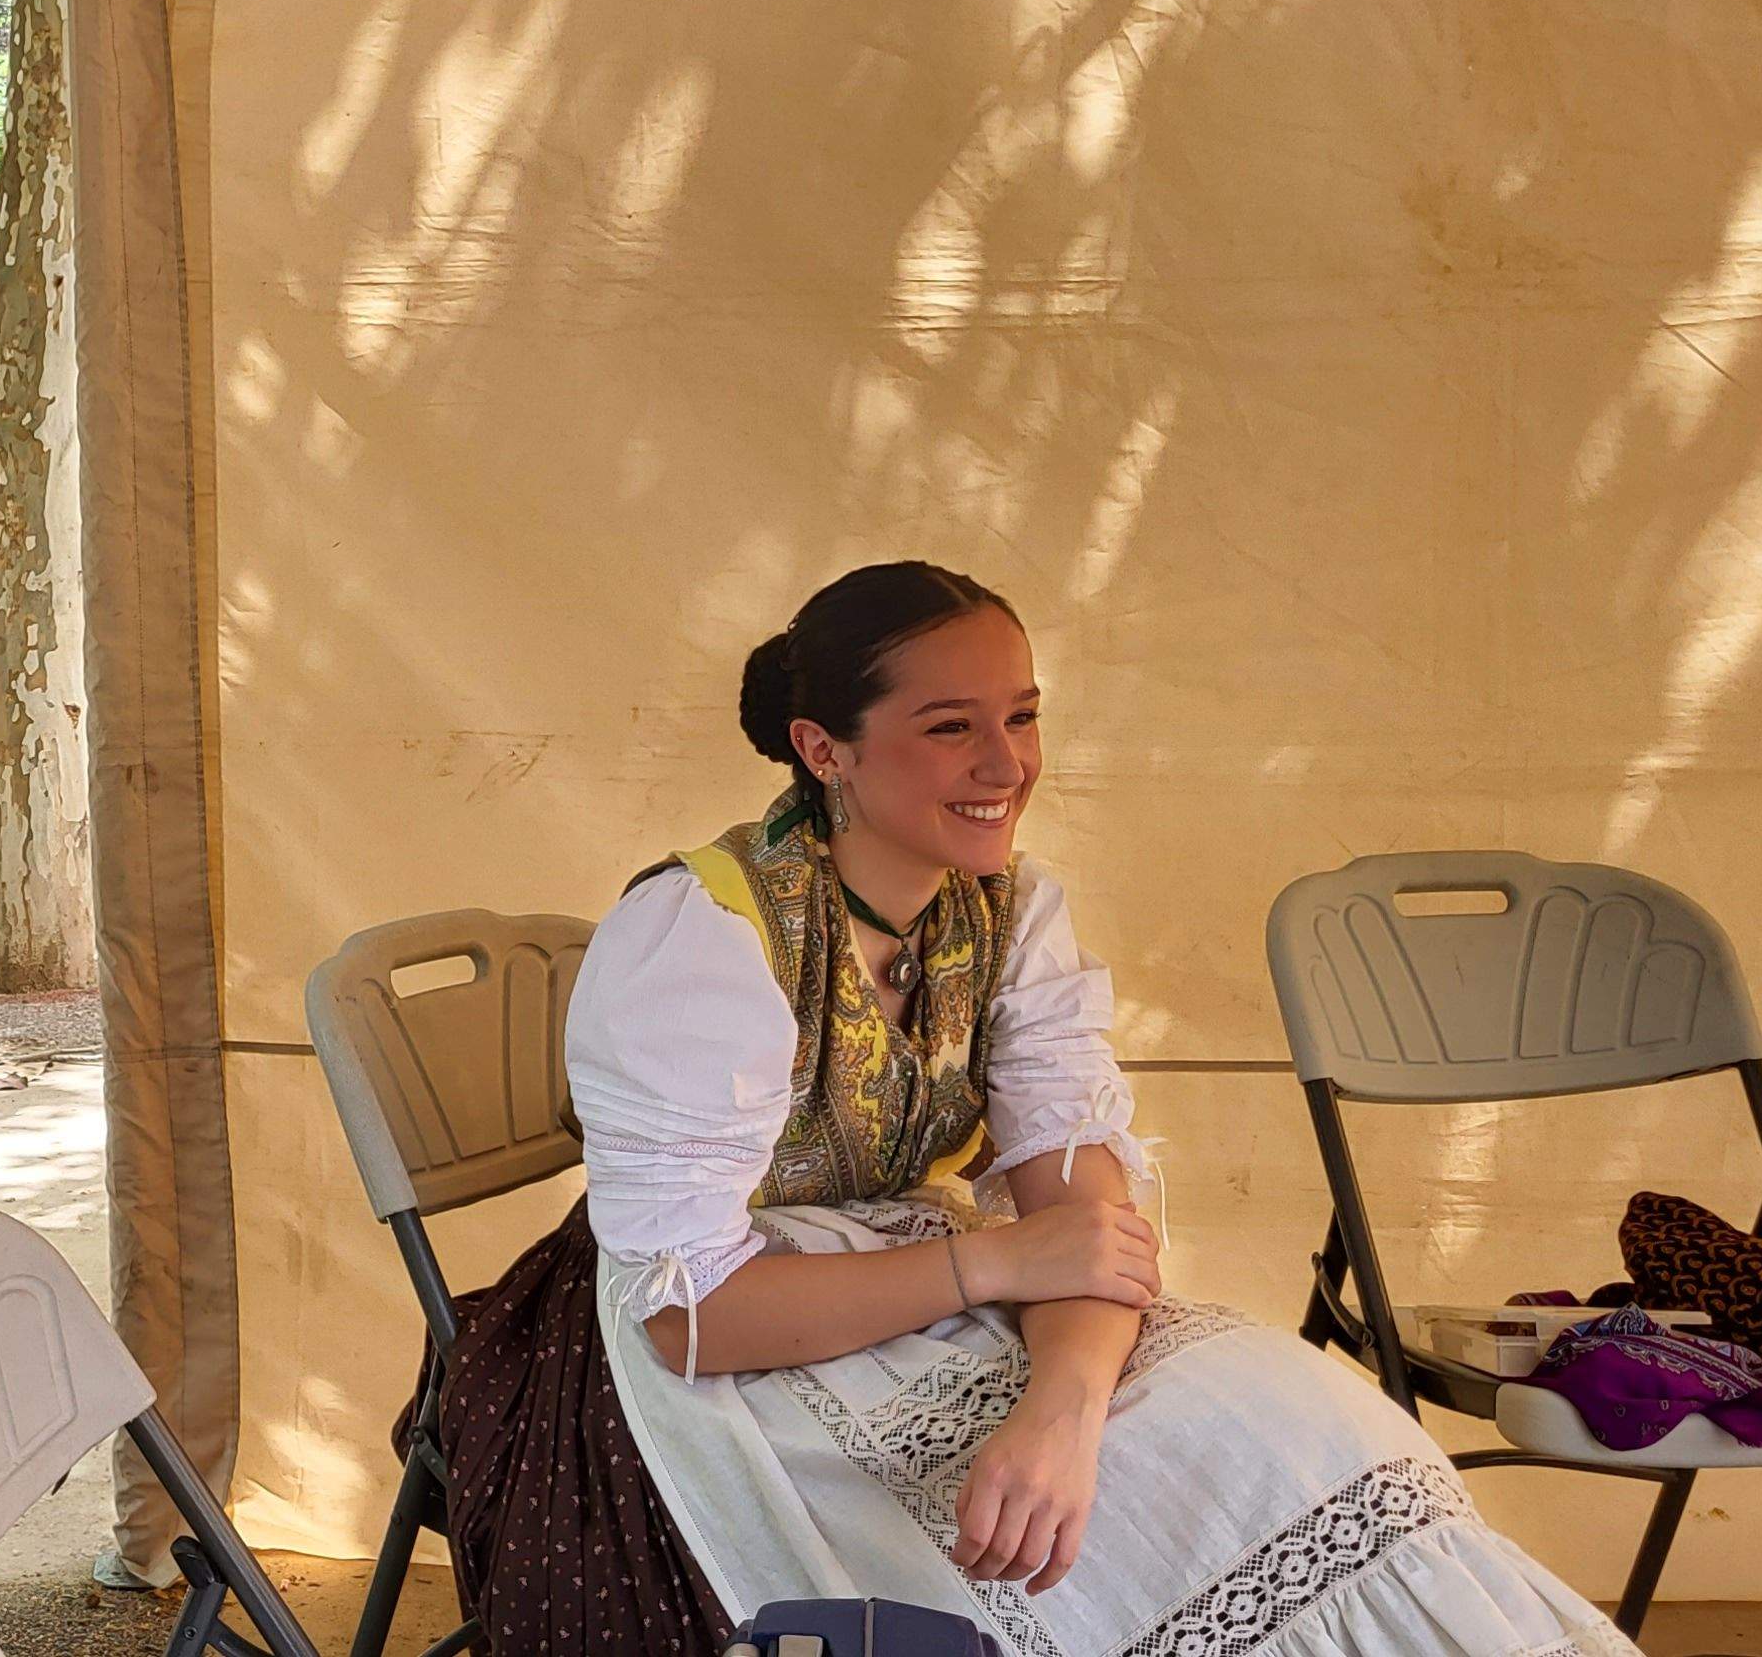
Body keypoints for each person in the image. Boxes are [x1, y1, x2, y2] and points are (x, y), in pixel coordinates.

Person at [427, 561, 1640, 1657]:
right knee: (1125, 1517)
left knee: (1302, 1425)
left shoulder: (1009, 913)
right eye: (950, 727)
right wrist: (997, 1260)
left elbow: (1085, 1217)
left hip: (925, 1271)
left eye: (1021, 717)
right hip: (705, 1341)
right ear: (823, 748)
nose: (1004, 765)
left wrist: (1059, 1412)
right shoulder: (701, 937)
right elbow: (689, 1319)